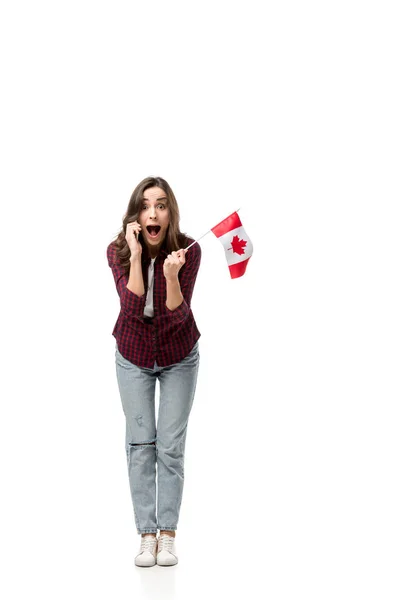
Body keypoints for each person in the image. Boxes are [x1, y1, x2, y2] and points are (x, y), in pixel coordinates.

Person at [106, 176, 201, 567]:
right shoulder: (117, 251)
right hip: (134, 356)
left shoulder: (187, 251)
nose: (153, 213)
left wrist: (171, 276)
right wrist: (134, 253)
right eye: (146, 206)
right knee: (141, 445)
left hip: (179, 354)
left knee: (171, 448)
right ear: (136, 215)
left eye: (161, 205)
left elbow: (178, 317)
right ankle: (146, 534)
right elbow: (131, 310)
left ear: (170, 212)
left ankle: (167, 535)